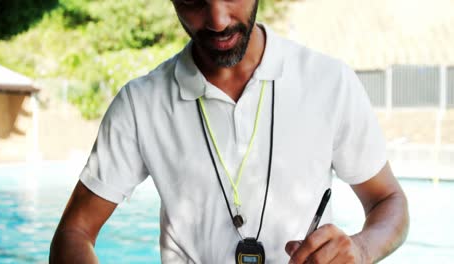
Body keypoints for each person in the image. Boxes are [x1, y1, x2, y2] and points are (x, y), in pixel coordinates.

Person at [50, 0, 409, 263]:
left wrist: (361, 249)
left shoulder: (329, 82)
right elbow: (74, 232)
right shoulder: (140, 103)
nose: (218, 20)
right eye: (193, 1)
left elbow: (388, 201)